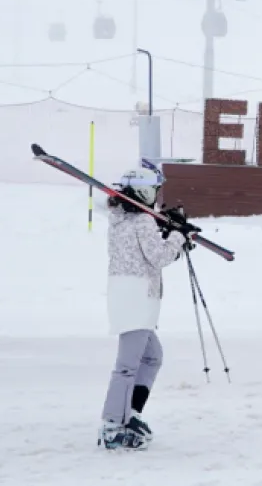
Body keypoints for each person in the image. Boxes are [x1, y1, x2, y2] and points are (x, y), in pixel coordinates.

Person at [98, 166, 196, 450]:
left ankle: (130, 413)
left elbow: (146, 251)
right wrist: (177, 235)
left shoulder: (121, 219)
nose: (156, 195)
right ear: (143, 192)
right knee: (127, 367)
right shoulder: (141, 221)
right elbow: (158, 256)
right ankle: (113, 425)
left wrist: (167, 229)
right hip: (137, 298)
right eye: (154, 190)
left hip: (128, 295)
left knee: (152, 357)